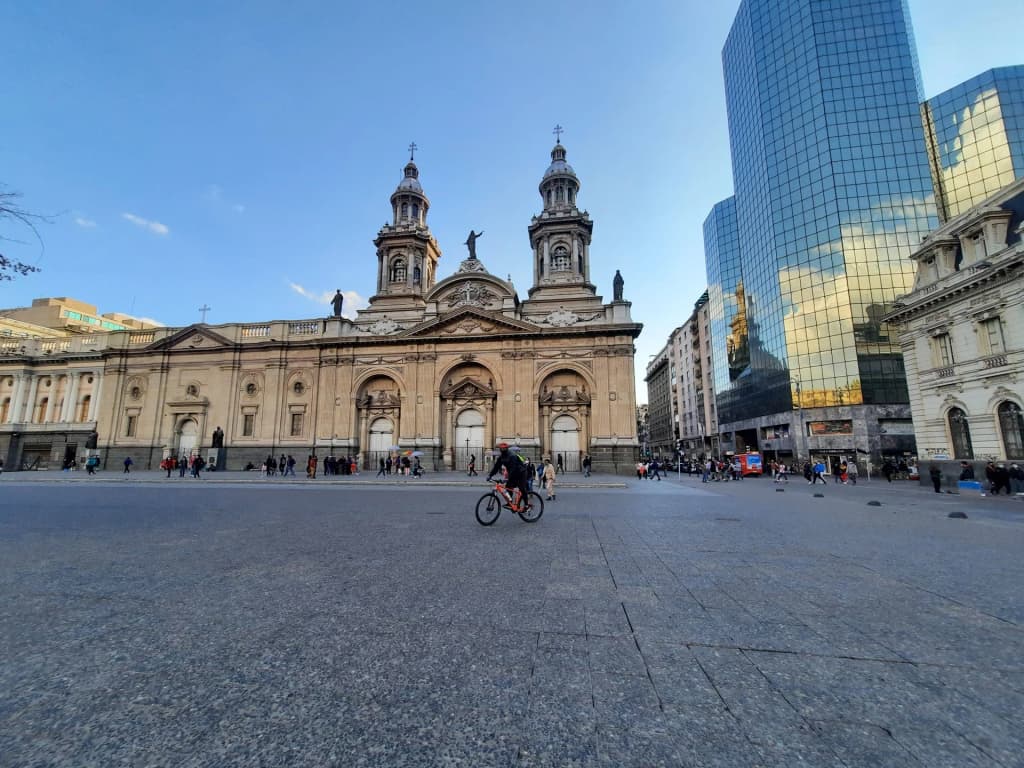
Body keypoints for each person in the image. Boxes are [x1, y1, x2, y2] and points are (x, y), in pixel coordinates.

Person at [487, 442, 530, 510]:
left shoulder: (512, 455)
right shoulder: (501, 457)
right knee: (508, 487)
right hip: (512, 473)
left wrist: (507, 478)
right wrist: (490, 475)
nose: (502, 450)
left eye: (504, 449)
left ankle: (527, 504)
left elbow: (514, 468)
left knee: (522, 488)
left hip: (521, 472)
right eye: (501, 449)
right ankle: (510, 503)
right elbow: (496, 467)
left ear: (506, 449)